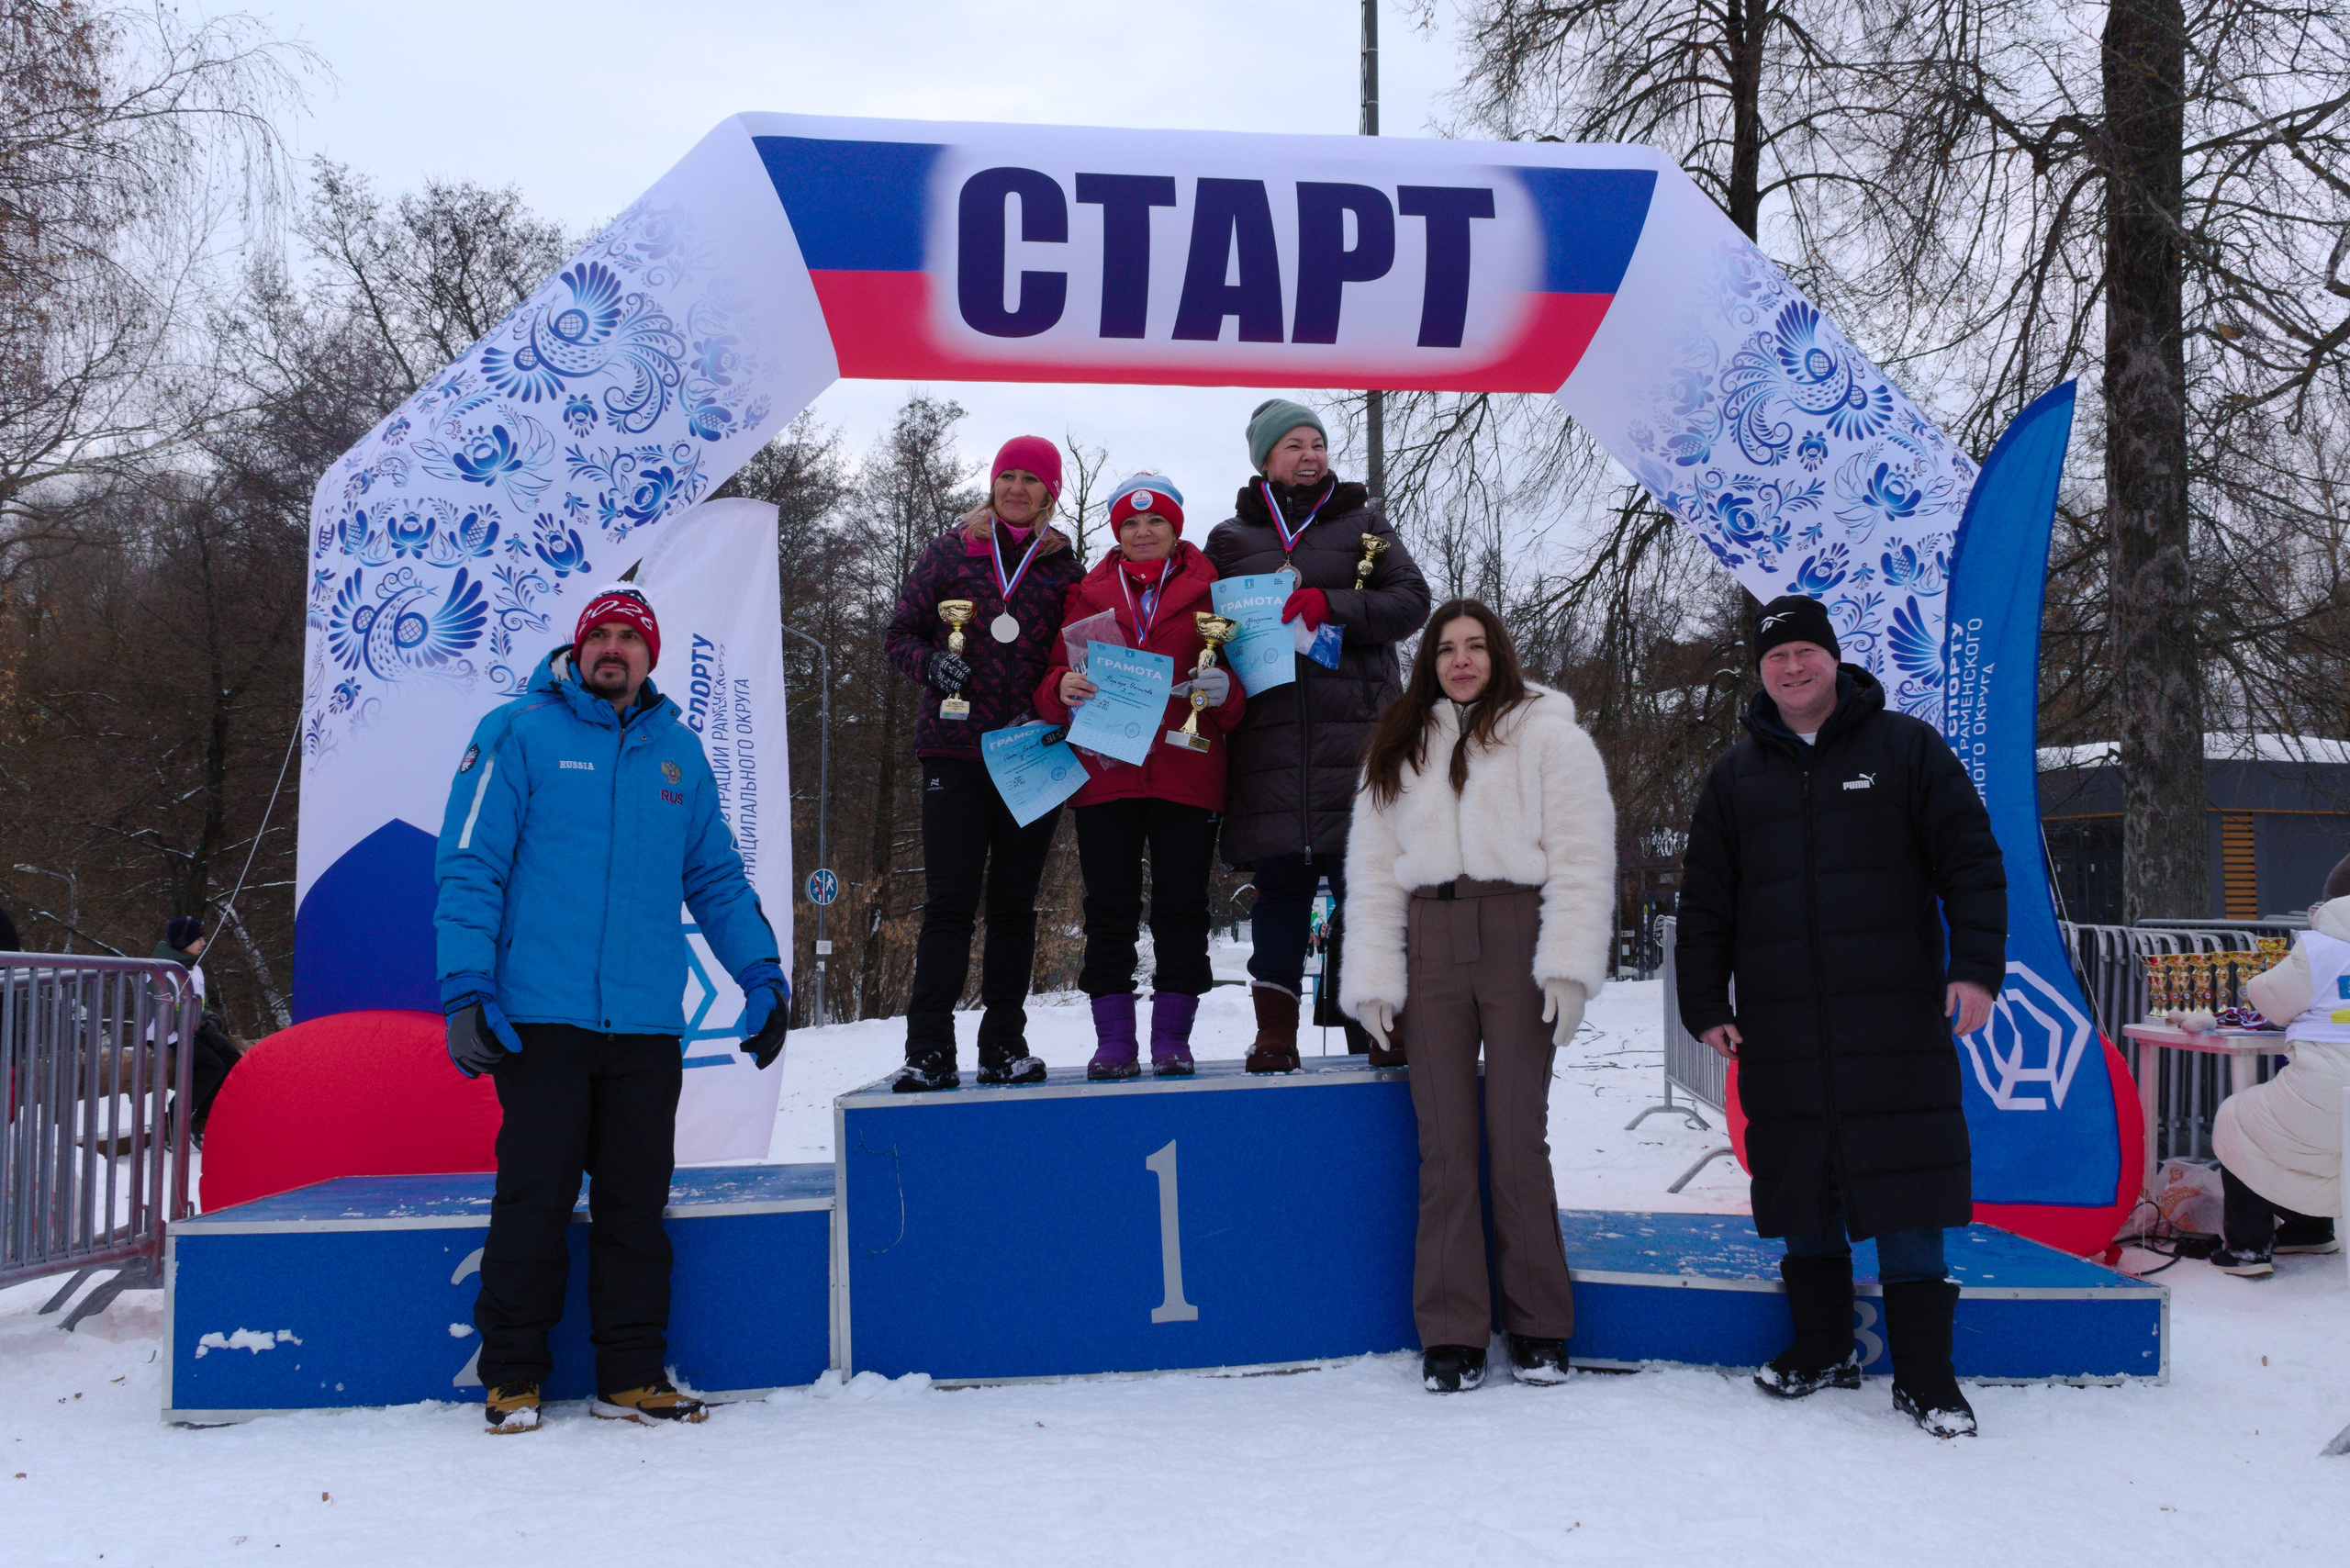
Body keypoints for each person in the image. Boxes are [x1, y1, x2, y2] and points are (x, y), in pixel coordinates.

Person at [435, 583, 789, 1434]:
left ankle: (631, 1374)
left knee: (637, 1205)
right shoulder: (517, 732)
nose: (615, 650)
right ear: (579, 648)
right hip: (541, 1018)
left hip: (643, 1025)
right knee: (536, 1198)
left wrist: (763, 976)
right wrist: (466, 989)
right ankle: (513, 1375)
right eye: (603, 636)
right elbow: (470, 865)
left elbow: (714, 880)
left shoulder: (680, 754)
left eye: (632, 639)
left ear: (650, 659)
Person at [1674, 594, 2007, 1439]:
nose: (1792, 669)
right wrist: (1706, 1003)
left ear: (1833, 658)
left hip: (1894, 1022)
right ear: (1761, 673)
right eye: (1776, 658)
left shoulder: (1906, 750)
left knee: (1905, 1189)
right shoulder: (1734, 775)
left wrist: (1976, 970)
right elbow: (1706, 904)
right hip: (1782, 1026)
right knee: (1803, 1189)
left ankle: (1928, 1378)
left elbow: (1971, 861)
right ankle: (1823, 1346)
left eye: (1805, 654)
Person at [1341, 601, 1616, 1393]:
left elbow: (1582, 855)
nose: (1462, 661)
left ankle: (1538, 1327)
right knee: (1446, 1147)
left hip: (1517, 935)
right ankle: (1453, 1332)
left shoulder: (1550, 738)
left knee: (1517, 1139)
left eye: (1476, 647)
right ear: (1429, 661)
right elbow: (1370, 867)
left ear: (1500, 654)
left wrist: (1567, 964)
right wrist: (1373, 978)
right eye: (1447, 649)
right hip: (1431, 938)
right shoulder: (1398, 744)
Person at [1204, 399, 1430, 1072]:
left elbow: (1412, 602)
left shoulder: (1365, 524)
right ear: (1265, 458)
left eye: (1318, 444)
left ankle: (1380, 1029)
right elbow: (1199, 621)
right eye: (1294, 445)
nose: (1309, 455)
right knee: (1279, 896)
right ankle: (1275, 1034)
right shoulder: (1232, 539)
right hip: (1269, 745)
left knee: (1367, 895)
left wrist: (1331, 604)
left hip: (1359, 739)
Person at [884, 437, 1086, 1091]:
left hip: (1033, 751)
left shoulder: (1063, 566)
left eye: (1031, 480)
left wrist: (1065, 697)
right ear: (993, 484)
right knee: (948, 903)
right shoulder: (951, 549)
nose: (1017, 489)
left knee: (1015, 906)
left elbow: (1075, 654)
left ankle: (1003, 1044)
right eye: (1008, 477)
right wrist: (931, 663)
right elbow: (899, 635)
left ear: (1049, 493)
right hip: (954, 749)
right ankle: (928, 1050)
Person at [1034, 475, 1245, 1080]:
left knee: (1182, 908)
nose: (1143, 531)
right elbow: (1050, 676)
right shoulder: (1086, 592)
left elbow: (1240, 695)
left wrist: (1225, 693)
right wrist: (1060, 687)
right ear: (1117, 533)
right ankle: (1114, 1044)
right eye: (1130, 522)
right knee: (1108, 909)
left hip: (1188, 770)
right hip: (1108, 775)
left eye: (1154, 521)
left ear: (1175, 527)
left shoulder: (1214, 593)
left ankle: (1173, 1041)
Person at [2209, 853, 2350, 1274]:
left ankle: (2248, 1248)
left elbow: (2270, 998)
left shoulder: (2323, 950)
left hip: (2330, 1092)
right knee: (2306, 1140)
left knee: (2240, 1119)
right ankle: (2311, 1229)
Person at [150, 916, 240, 1142]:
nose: (203, 942)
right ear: (182, 941)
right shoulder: (162, 970)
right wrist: (199, 1026)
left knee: (232, 1062)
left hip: (192, 1030)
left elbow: (203, 1004)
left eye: (203, 937)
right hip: (165, 1032)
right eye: (198, 938)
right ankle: (168, 1126)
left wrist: (211, 1021)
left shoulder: (194, 969)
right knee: (210, 1064)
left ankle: (202, 1120)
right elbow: (162, 1010)